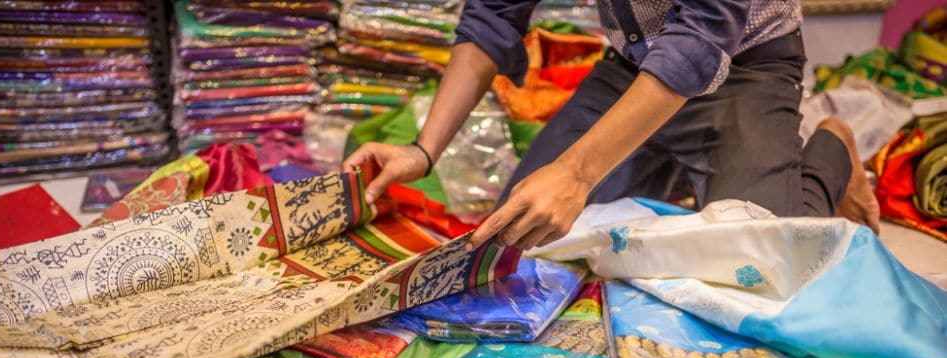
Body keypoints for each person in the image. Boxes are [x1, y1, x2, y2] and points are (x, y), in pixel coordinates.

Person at [343, 0, 881, 251]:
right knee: (525, 237)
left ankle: (834, 144)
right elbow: (494, 17)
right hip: (634, 66)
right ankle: (669, 166)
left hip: (744, 63)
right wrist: (423, 149)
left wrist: (577, 174)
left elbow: (700, 41)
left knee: (768, 258)